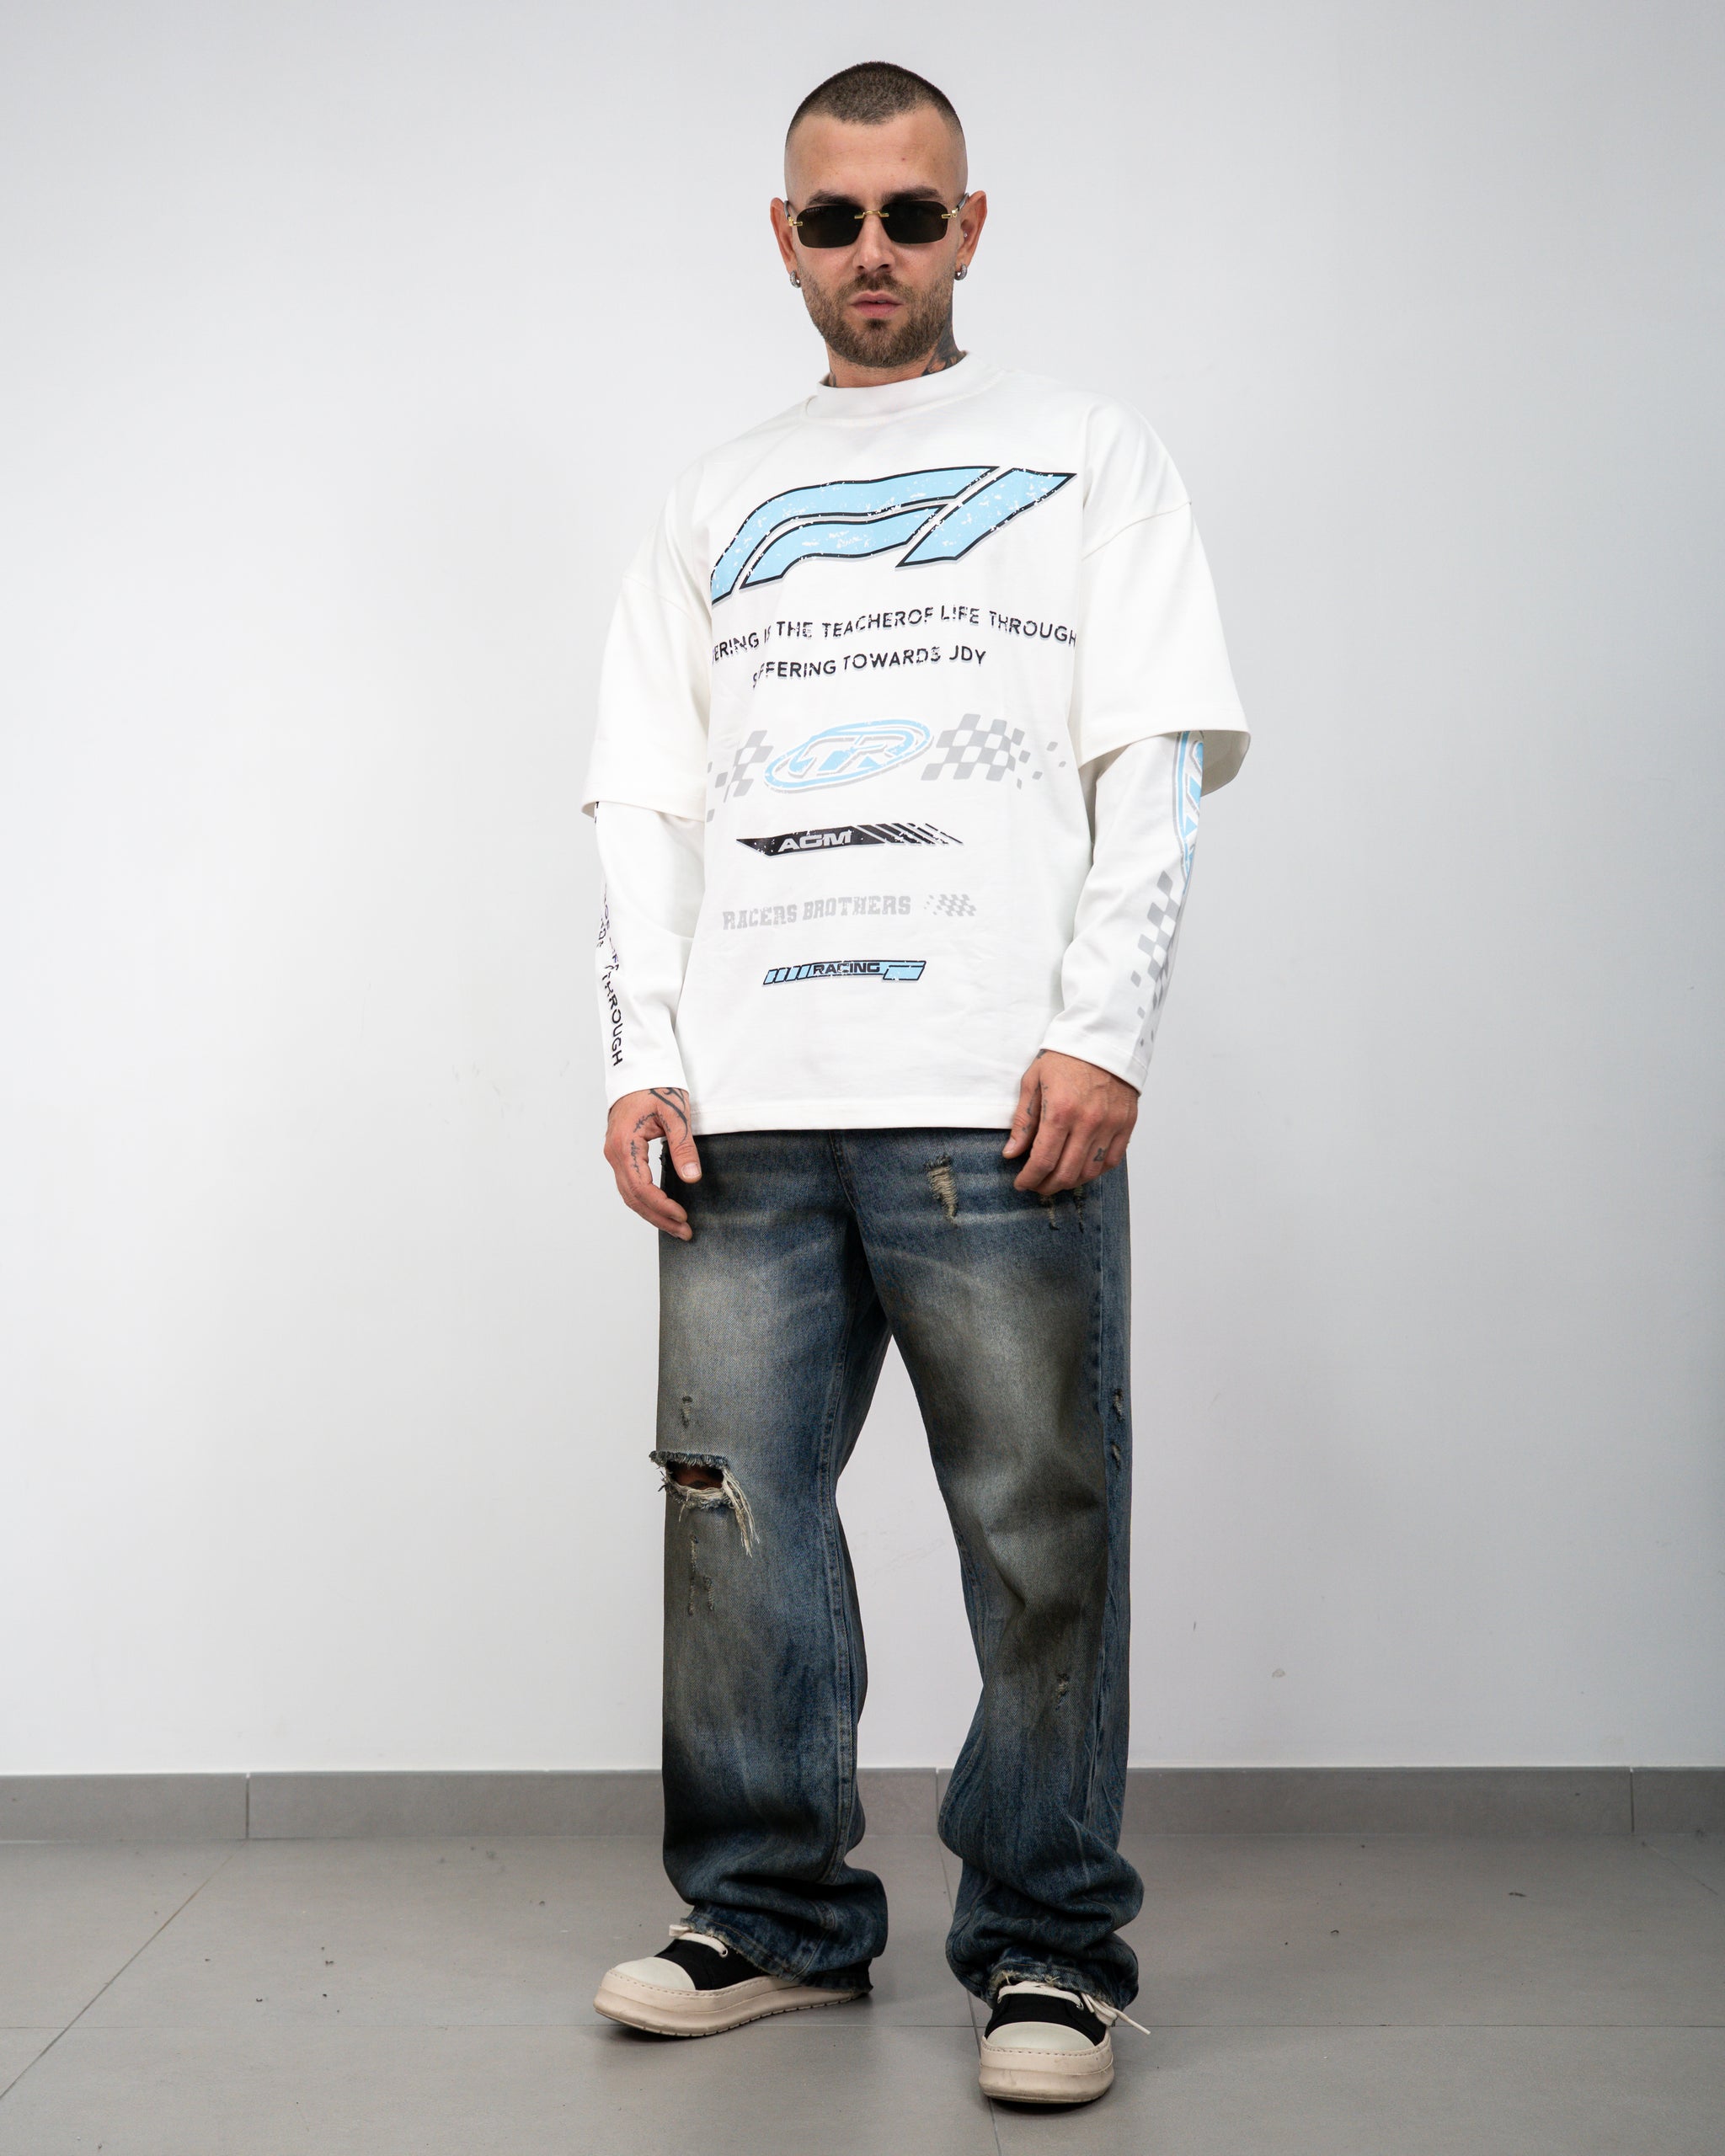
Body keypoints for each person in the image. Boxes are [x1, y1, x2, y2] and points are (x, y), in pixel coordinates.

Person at [583, 59, 1248, 2108]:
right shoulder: (711, 497)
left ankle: (1049, 1945)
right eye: (832, 217)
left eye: (908, 212)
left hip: (993, 1082)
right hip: (748, 1094)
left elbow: (1153, 755)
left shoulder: (1088, 453)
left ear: (969, 224)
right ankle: (774, 1914)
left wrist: (1104, 1024)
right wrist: (643, 1050)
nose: (870, 249)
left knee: (1037, 1523)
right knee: (731, 1516)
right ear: (783, 239)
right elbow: (644, 795)